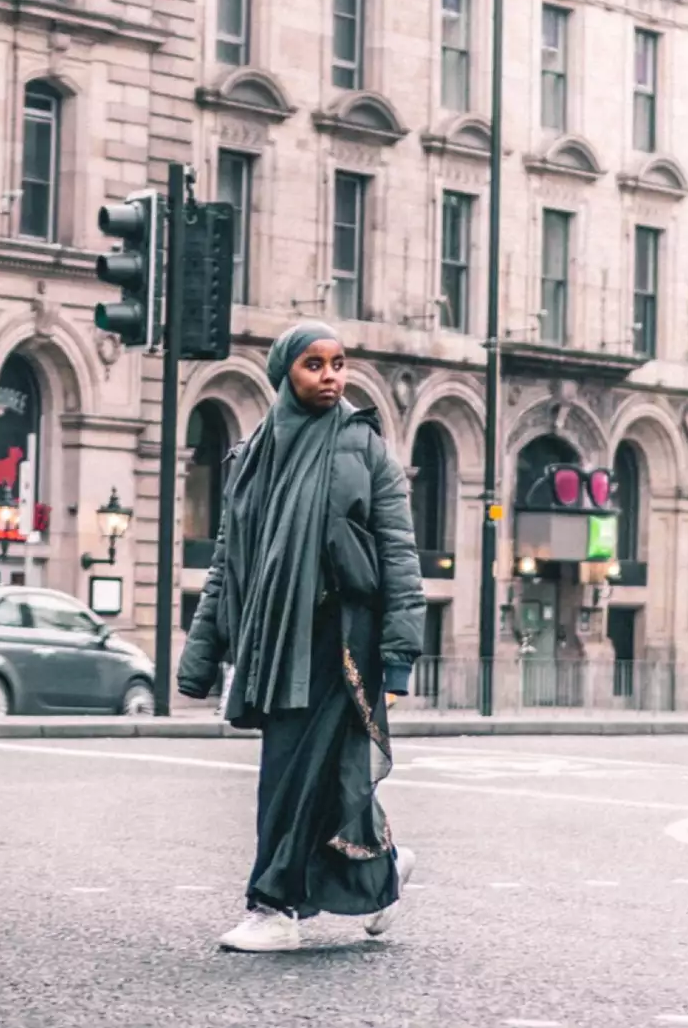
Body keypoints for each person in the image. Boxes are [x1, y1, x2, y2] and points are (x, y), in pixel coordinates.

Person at [177, 322, 426, 953]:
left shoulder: (364, 445)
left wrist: (399, 657)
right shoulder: (253, 452)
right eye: (314, 364)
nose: (331, 376)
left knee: (289, 773)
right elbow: (229, 561)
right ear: (284, 371)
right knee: (320, 775)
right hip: (272, 640)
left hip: (341, 640)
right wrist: (201, 655)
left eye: (339, 363)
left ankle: (274, 908)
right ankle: (384, 867)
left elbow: (399, 551)